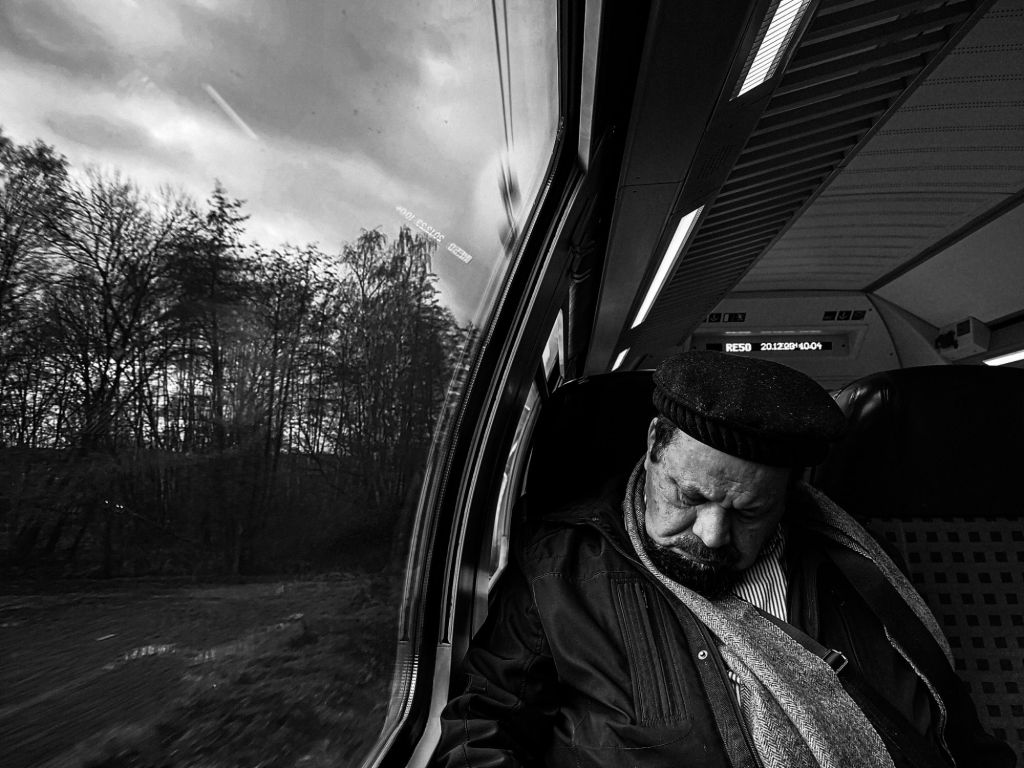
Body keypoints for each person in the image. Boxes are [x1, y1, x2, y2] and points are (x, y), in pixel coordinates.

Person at [434, 352, 1015, 768]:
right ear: (655, 443)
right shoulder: (557, 566)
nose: (712, 536)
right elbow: (483, 725)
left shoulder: (855, 569)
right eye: (690, 497)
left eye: (749, 512)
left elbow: (946, 731)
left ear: (789, 496)